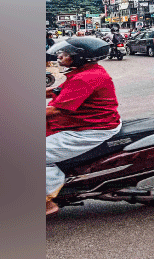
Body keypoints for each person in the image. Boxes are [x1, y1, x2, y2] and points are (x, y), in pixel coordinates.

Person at [45, 37, 122, 216]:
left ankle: (47, 202)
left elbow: (56, 109)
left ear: (80, 57)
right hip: (89, 122)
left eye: (65, 54)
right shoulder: (88, 71)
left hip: (91, 129)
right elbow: (57, 91)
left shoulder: (85, 78)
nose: (60, 57)